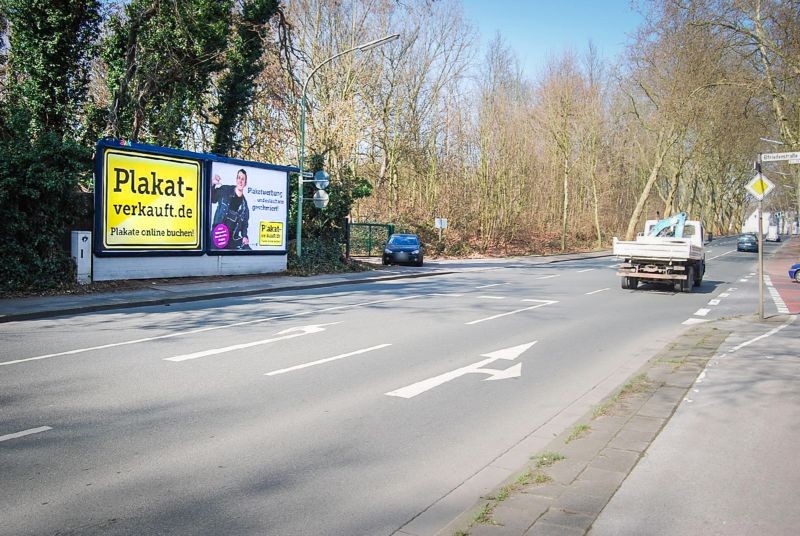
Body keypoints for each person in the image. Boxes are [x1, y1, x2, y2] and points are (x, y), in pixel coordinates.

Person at [211, 169, 250, 249]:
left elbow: (245, 224)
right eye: (239, 178)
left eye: (243, 179)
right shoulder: (225, 190)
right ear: (236, 180)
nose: (240, 181)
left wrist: (245, 236)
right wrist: (212, 184)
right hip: (218, 235)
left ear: (245, 183)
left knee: (248, 250)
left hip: (232, 240)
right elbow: (212, 198)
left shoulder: (244, 206)